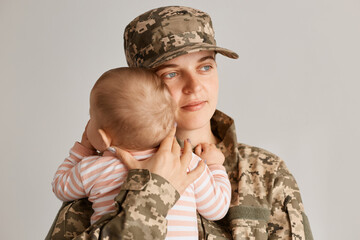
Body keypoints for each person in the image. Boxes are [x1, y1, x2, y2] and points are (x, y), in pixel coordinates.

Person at [46, 5, 313, 240]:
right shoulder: (106, 174)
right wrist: (150, 191)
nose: (194, 86)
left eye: (205, 67)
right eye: (171, 73)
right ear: (143, 85)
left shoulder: (266, 172)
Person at [51, 67, 231, 239]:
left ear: (103, 138)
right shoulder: (187, 161)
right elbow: (217, 208)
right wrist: (215, 165)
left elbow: (60, 186)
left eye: (91, 116)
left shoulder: (93, 169)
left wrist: (82, 150)